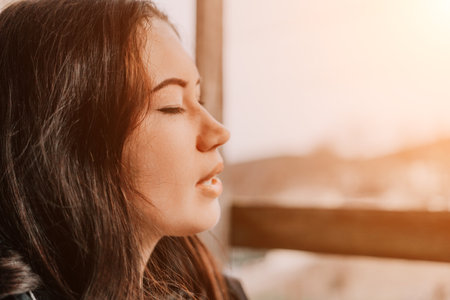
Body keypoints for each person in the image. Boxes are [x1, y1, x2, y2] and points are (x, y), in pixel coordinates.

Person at [0, 0, 247, 299]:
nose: (219, 132)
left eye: (199, 99)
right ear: (67, 144)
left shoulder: (215, 290)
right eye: (172, 106)